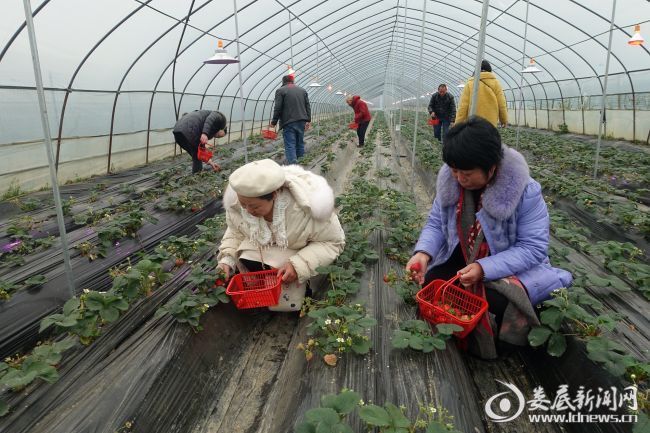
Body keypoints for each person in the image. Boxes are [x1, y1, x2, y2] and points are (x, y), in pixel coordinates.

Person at [406, 117, 572, 359]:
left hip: (509, 267)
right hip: (464, 255)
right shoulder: (450, 182)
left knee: (500, 301)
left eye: (467, 173)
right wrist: (423, 254)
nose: (459, 178)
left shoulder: (525, 191)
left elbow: (532, 248)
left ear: (492, 168)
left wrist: (483, 268)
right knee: (433, 282)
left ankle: (499, 345)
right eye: (454, 170)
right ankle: (458, 331)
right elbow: (436, 224)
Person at [217, 159, 345, 312]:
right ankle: (265, 292)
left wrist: (299, 265)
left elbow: (333, 242)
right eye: (244, 204)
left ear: (275, 194)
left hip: (297, 255)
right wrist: (227, 260)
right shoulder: (237, 206)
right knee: (246, 254)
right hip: (270, 256)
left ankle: (297, 298)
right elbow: (234, 233)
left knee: (288, 284)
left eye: (255, 206)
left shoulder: (305, 210)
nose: (248, 211)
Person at [271, 75, 312, 165]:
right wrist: (308, 120)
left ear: (283, 82)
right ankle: (302, 163)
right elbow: (307, 106)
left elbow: (278, 108)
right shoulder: (302, 90)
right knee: (300, 143)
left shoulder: (280, 91)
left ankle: (293, 166)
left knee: (290, 144)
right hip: (301, 120)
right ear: (293, 81)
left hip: (288, 122)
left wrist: (274, 122)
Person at [455, 60, 508, 127]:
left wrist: (458, 124)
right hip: (490, 123)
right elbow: (502, 104)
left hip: (473, 123)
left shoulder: (470, 83)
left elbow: (463, 106)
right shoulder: (496, 83)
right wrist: (504, 120)